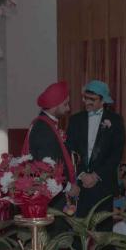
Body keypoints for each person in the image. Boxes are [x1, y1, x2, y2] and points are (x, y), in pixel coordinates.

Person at [66, 80, 125, 250]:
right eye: (85, 98)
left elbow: (116, 155)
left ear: (103, 100)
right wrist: (82, 174)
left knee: (104, 233)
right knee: (78, 232)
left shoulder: (115, 121)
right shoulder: (75, 120)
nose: (87, 102)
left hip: (103, 185)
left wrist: (96, 175)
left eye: (92, 99)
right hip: (81, 185)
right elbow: (70, 152)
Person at [23, 81, 79, 219]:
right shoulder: (43, 129)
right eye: (65, 104)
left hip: (56, 193)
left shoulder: (48, 125)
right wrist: (68, 187)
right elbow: (48, 167)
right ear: (55, 106)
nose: (68, 109)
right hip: (51, 197)